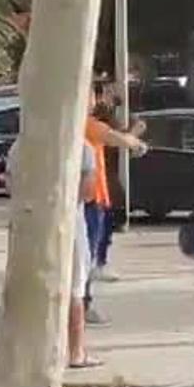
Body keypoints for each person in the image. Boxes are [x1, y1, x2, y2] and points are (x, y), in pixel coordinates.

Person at [83, 82, 148, 326]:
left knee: (87, 255)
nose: (95, 100)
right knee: (85, 258)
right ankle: (83, 304)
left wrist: (133, 139)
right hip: (90, 200)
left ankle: (83, 302)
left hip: (97, 197)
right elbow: (113, 137)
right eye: (92, 95)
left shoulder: (90, 123)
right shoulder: (87, 125)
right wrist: (135, 140)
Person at [68, 143, 102, 369]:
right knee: (75, 290)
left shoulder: (21, 146)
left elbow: (12, 185)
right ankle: (76, 352)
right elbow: (89, 192)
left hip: (30, 225)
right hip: (70, 225)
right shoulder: (81, 148)